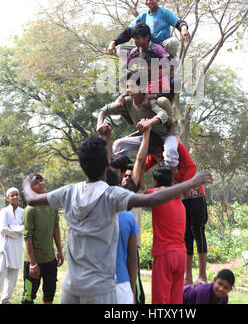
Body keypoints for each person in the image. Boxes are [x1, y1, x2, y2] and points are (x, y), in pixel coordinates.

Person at [22, 128, 213, 304]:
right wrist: (191, 182)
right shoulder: (111, 195)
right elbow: (152, 200)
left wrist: (26, 182)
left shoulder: (68, 192)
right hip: (100, 290)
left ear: (81, 164)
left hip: (71, 287)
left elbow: (31, 199)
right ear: (107, 163)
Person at [146, 133, 208, 284]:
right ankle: (188, 276)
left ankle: (202, 275)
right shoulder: (155, 154)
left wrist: (180, 186)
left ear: (163, 147)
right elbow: (143, 166)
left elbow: (191, 168)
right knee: (186, 234)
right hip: (180, 197)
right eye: (155, 155)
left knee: (198, 232)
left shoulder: (178, 148)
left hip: (195, 195)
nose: (159, 157)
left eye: (159, 153)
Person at [97, 70, 179, 170]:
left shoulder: (149, 101)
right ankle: (125, 173)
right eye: (127, 87)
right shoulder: (126, 102)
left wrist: (149, 122)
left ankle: (170, 181)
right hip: (146, 137)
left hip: (164, 136)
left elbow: (163, 115)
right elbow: (103, 110)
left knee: (171, 151)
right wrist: (100, 124)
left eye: (132, 87)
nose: (128, 90)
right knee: (119, 144)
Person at [107, 0, 190, 57]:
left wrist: (183, 29)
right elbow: (128, 31)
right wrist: (114, 42)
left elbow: (179, 23)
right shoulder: (143, 16)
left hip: (162, 46)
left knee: (173, 41)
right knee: (121, 50)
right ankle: (138, 65)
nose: (149, 2)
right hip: (147, 47)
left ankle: (169, 61)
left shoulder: (165, 13)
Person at [145, 167, 187, 304]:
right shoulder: (179, 200)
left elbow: (137, 190)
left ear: (155, 182)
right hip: (181, 254)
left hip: (165, 254)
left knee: (160, 300)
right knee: (175, 299)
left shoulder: (156, 196)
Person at [22, 174, 64, 305]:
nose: (41, 183)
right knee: (28, 297)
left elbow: (55, 228)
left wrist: (59, 251)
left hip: (50, 260)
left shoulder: (52, 205)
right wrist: (33, 264)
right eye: (36, 183)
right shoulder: (30, 210)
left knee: (49, 296)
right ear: (30, 189)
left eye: (41, 180)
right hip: (33, 262)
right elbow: (27, 237)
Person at [106, 168, 140, 305]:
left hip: (94, 285)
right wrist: (132, 290)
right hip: (122, 285)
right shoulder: (128, 217)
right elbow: (132, 259)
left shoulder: (88, 216)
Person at [0, 187, 24, 304]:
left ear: (19, 196)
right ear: (7, 198)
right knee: (1, 273)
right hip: (4, 247)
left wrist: (13, 229)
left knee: (13, 277)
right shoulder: (4, 211)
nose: (15, 197)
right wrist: (18, 230)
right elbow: (3, 228)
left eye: (16, 195)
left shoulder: (23, 212)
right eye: (12, 195)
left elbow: (25, 228)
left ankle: (5, 300)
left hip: (16, 248)